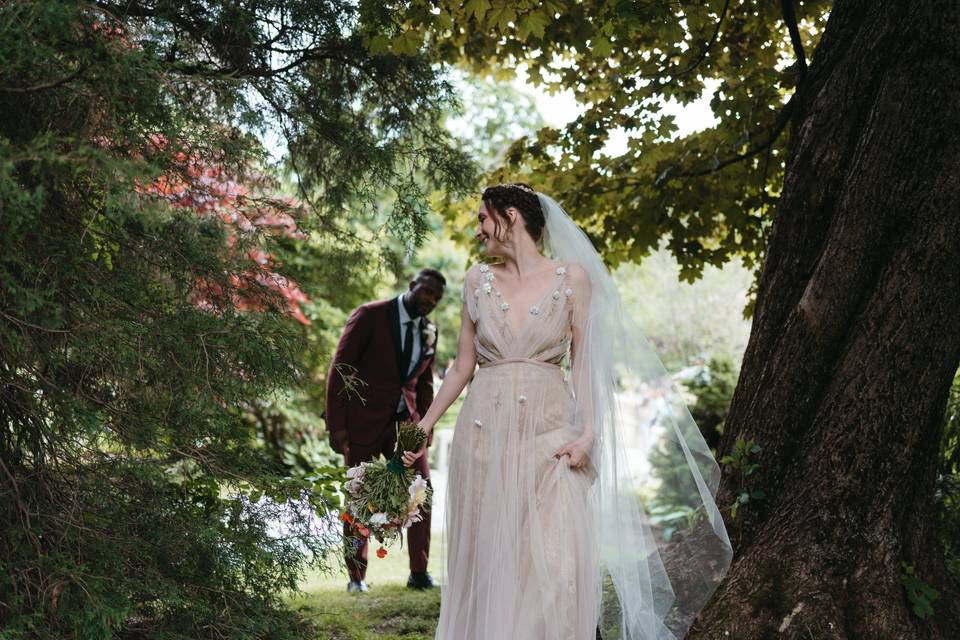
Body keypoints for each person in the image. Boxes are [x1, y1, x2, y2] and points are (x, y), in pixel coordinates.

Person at [402, 184, 732, 639]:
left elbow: (584, 360)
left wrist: (589, 432)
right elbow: (462, 364)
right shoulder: (478, 280)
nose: (477, 230)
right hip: (486, 432)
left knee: (557, 562)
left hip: (552, 431)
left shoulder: (572, 277)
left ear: (510, 216)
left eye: (483, 219)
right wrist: (424, 423)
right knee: (490, 557)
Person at [325, 268, 445, 593]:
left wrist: (425, 431)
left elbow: (424, 384)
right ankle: (356, 578)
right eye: (426, 291)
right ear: (412, 286)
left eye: (436, 297)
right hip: (362, 422)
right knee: (359, 499)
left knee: (421, 493)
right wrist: (337, 426)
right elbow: (341, 370)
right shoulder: (370, 315)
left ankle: (419, 573)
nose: (430, 300)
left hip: (405, 427)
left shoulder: (430, 331)